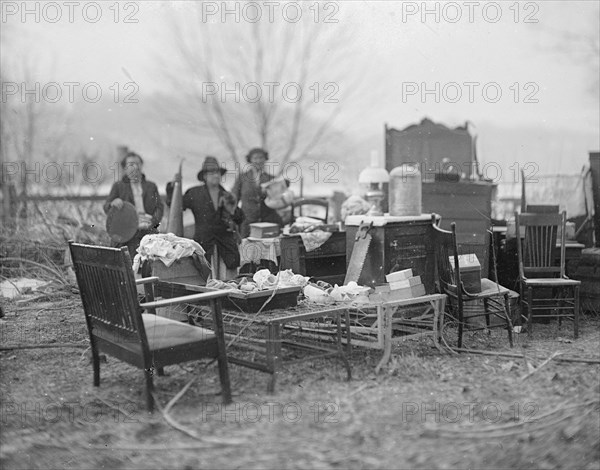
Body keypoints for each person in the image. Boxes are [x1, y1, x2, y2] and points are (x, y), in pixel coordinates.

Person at [166, 156, 244, 280]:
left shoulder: (227, 195)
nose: (216, 175)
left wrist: (232, 210)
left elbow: (240, 218)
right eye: (212, 172)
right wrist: (173, 186)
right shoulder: (194, 193)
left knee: (229, 283)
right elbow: (176, 206)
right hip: (204, 245)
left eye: (218, 172)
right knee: (205, 280)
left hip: (226, 246)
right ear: (204, 176)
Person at [103, 151, 163, 260]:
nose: (135, 167)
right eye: (131, 164)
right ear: (125, 168)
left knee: (148, 265)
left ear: (141, 166)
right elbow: (106, 207)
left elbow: (159, 208)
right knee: (127, 264)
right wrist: (113, 203)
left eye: (137, 163)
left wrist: (153, 223)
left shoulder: (151, 186)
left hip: (147, 232)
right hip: (126, 233)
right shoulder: (119, 186)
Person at [232, 147, 285, 238]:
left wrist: (270, 192)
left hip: (267, 221)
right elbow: (233, 199)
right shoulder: (242, 178)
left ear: (265, 159)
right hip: (248, 221)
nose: (258, 161)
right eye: (255, 158)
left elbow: (278, 201)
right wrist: (233, 218)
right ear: (250, 160)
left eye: (261, 158)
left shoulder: (271, 179)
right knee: (247, 247)